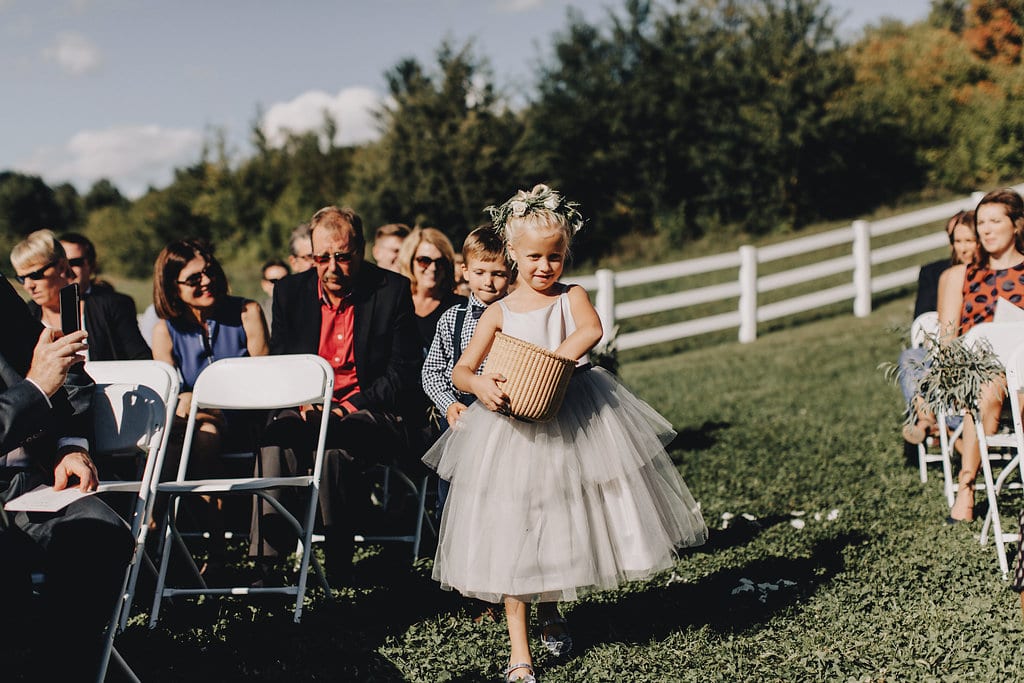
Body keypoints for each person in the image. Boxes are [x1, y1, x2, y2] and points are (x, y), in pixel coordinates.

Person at [422, 185, 708, 682]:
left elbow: (589, 331)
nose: (544, 266)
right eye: (533, 256)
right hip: (511, 426)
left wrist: (552, 360)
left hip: (570, 412)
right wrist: (481, 385)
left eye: (555, 256)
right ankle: (519, 650)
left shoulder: (570, 296)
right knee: (512, 526)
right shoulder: (498, 311)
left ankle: (552, 607)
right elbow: (461, 371)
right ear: (512, 254)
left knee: (558, 516)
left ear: (565, 255)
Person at [249, 205, 422, 586]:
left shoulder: (390, 291)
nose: (331, 267)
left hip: (368, 407)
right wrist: (303, 402)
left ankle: (337, 553)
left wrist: (346, 408)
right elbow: (283, 360)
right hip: (306, 402)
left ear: (359, 249)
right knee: (275, 440)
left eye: (342, 256)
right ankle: (267, 564)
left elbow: (402, 374)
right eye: (321, 258)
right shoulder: (290, 292)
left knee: (335, 444)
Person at [0, 273, 133, 681]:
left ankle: (57, 667)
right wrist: (35, 387)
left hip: (26, 481)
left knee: (99, 532)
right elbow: (41, 380)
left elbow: (66, 368)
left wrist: (70, 444)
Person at [151, 238, 269, 572]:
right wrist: (191, 403)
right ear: (173, 288)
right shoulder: (166, 330)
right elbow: (168, 392)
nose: (207, 281)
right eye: (194, 279)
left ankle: (165, 538)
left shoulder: (247, 313)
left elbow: (264, 378)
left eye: (210, 271)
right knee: (170, 440)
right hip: (191, 425)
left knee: (201, 432)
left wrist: (203, 401)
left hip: (244, 420)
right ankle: (156, 532)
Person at [938, 189, 1024, 523]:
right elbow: (946, 341)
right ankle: (967, 485)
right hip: (979, 373)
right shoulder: (959, 276)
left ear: (1015, 225)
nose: (985, 230)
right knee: (989, 388)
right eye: (981, 223)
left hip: (1022, 369)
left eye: (994, 221)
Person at [899, 212, 977, 445]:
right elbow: (931, 322)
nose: (961, 248)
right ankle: (927, 421)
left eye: (968, 240)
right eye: (957, 240)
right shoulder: (945, 276)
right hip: (947, 348)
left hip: (978, 356)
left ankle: (936, 430)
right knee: (912, 357)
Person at [57, 231, 152, 361]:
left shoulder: (115, 304)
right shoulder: (36, 310)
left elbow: (139, 356)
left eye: (75, 262)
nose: (67, 270)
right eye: (61, 264)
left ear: (91, 265)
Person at [259, 258, 289, 328]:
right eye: (273, 281)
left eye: (284, 280)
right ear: (264, 285)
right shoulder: (258, 312)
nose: (280, 284)